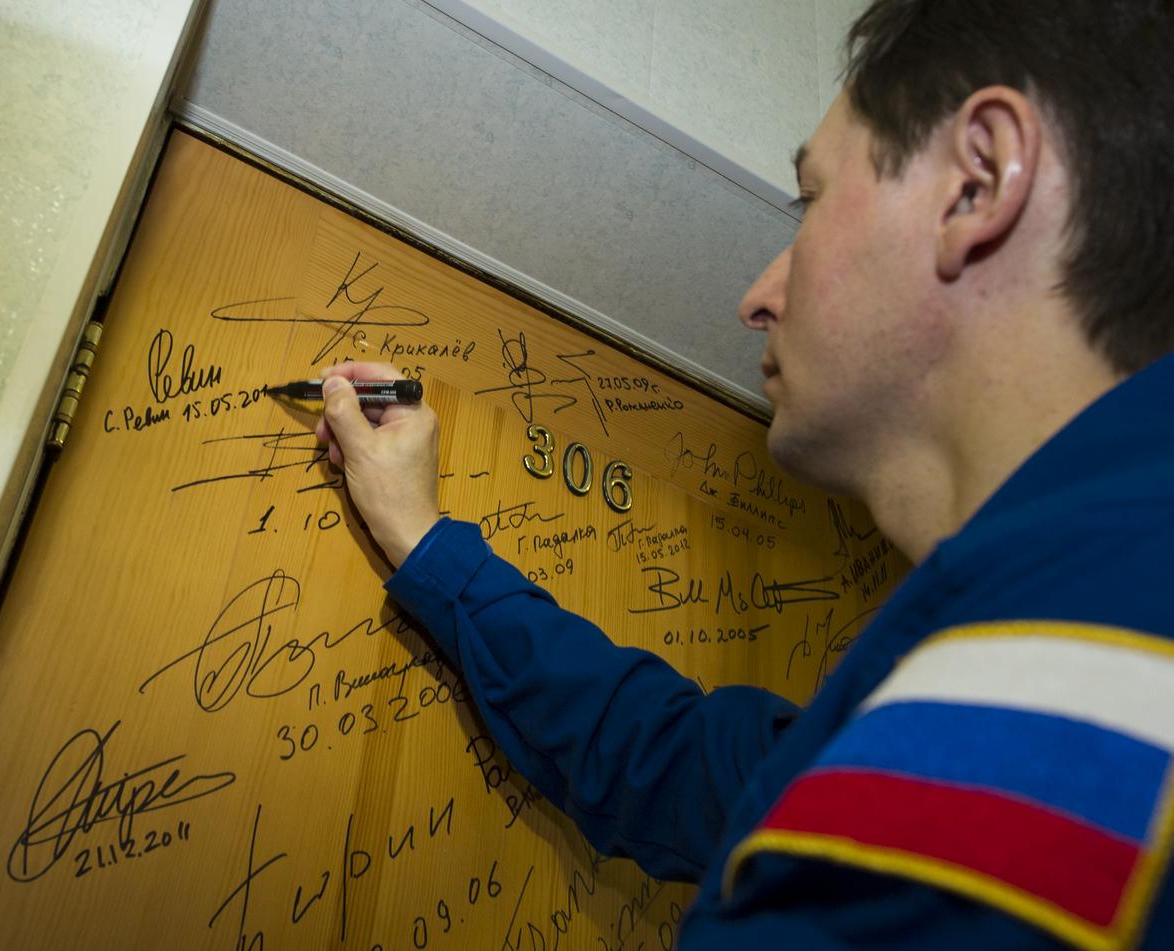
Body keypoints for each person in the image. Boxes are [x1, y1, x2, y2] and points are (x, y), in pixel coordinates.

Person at [316, 0, 1174, 946]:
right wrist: (424, 538)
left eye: (809, 202)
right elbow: (664, 759)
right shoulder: (993, 662)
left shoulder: (1080, 709)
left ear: (978, 184)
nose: (758, 296)